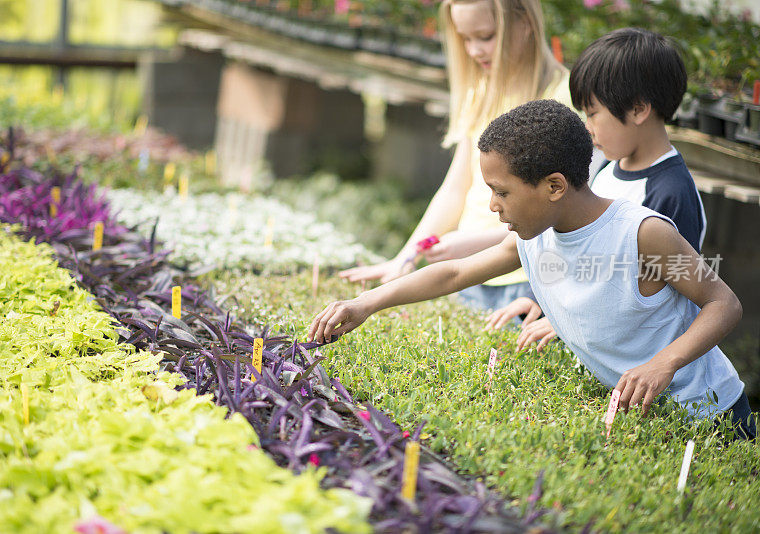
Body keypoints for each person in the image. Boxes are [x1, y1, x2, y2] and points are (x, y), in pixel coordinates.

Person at [309, 99, 755, 439]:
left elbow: (724, 303)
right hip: (637, 409)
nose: (491, 205)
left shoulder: (642, 233)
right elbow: (453, 274)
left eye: (501, 192)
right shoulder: (535, 234)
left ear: (554, 186)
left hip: (710, 412)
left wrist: (663, 364)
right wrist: (366, 303)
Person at [339, 0, 571, 313]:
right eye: (465, 38)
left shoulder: (562, 98)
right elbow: (457, 188)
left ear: (525, 24)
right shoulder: (482, 92)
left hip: (527, 281)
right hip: (469, 275)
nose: (474, 50)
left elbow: (560, 211)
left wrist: (475, 242)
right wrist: (406, 257)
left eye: (485, 36)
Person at [486, 28, 708, 352]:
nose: (587, 127)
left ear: (638, 109)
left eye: (592, 113)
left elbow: (665, 297)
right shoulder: (605, 171)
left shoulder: (671, 193)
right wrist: (537, 299)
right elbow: (575, 250)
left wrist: (562, 322)